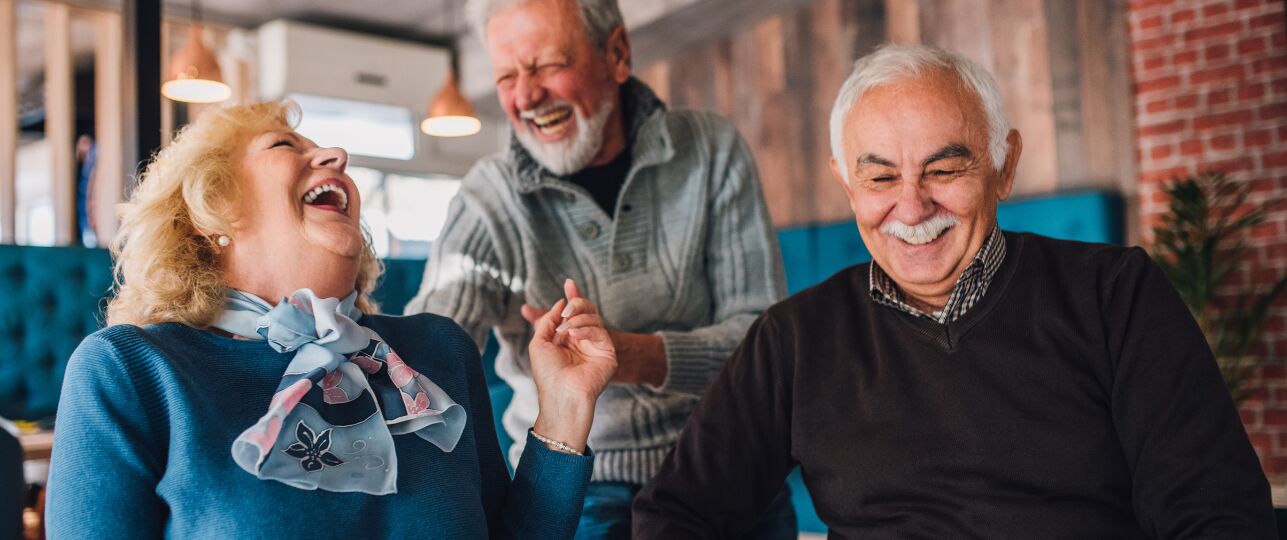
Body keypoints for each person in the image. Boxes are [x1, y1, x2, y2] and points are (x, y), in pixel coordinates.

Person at [633, 44, 1276, 537]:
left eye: (944, 168)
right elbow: (677, 512)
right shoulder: (794, 338)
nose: (912, 208)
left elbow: (1216, 513)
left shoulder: (1115, 295)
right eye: (880, 178)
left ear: (1005, 164)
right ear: (846, 182)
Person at [45, 101, 619, 539]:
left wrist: (565, 412)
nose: (336, 156)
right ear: (210, 212)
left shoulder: (437, 350)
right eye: (282, 146)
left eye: (326, 149)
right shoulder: (130, 371)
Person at [405, 0, 793, 536]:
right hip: (580, 479)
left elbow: (765, 348)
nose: (525, 95)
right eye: (507, 76)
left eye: (545, 65)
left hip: (724, 459)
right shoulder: (488, 199)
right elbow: (429, 351)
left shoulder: (709, 150)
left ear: (616, 53)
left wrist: (627, 355)